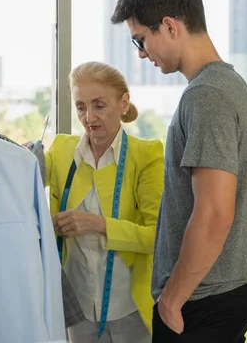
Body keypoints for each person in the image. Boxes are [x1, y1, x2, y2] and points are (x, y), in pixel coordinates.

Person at [110, 0, 247, 342]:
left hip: (202, 302)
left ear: (169, 26)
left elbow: (213, 213)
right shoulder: (233, 87)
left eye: (141, 40)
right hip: (220, 295)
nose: (142, 53)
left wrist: (172, 301)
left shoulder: (206, 96)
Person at [28, 61, 164, 342]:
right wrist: (21, 157)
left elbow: (157, 237)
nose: (89, 117)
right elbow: (24, 180)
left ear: (123, 103)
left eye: (99, 105)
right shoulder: (63, 151)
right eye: (81, 107)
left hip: (130, 308)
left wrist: (99, 225)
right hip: (76, 307)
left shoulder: (146, 156)